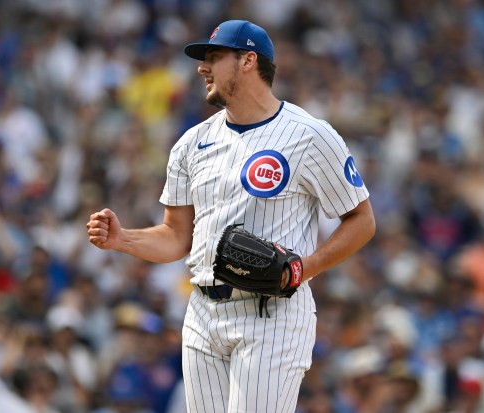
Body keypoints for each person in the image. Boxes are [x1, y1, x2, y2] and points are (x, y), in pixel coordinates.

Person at [87, 20, 375, 413]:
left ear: (248, 60)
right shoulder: (191, 144)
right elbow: (176, 237)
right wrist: (123, 239)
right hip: (202, 313)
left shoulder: (309, 135)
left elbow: (361, 219)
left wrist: (305, 268)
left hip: (271, 314)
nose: (202, 68)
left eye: (213, 57)